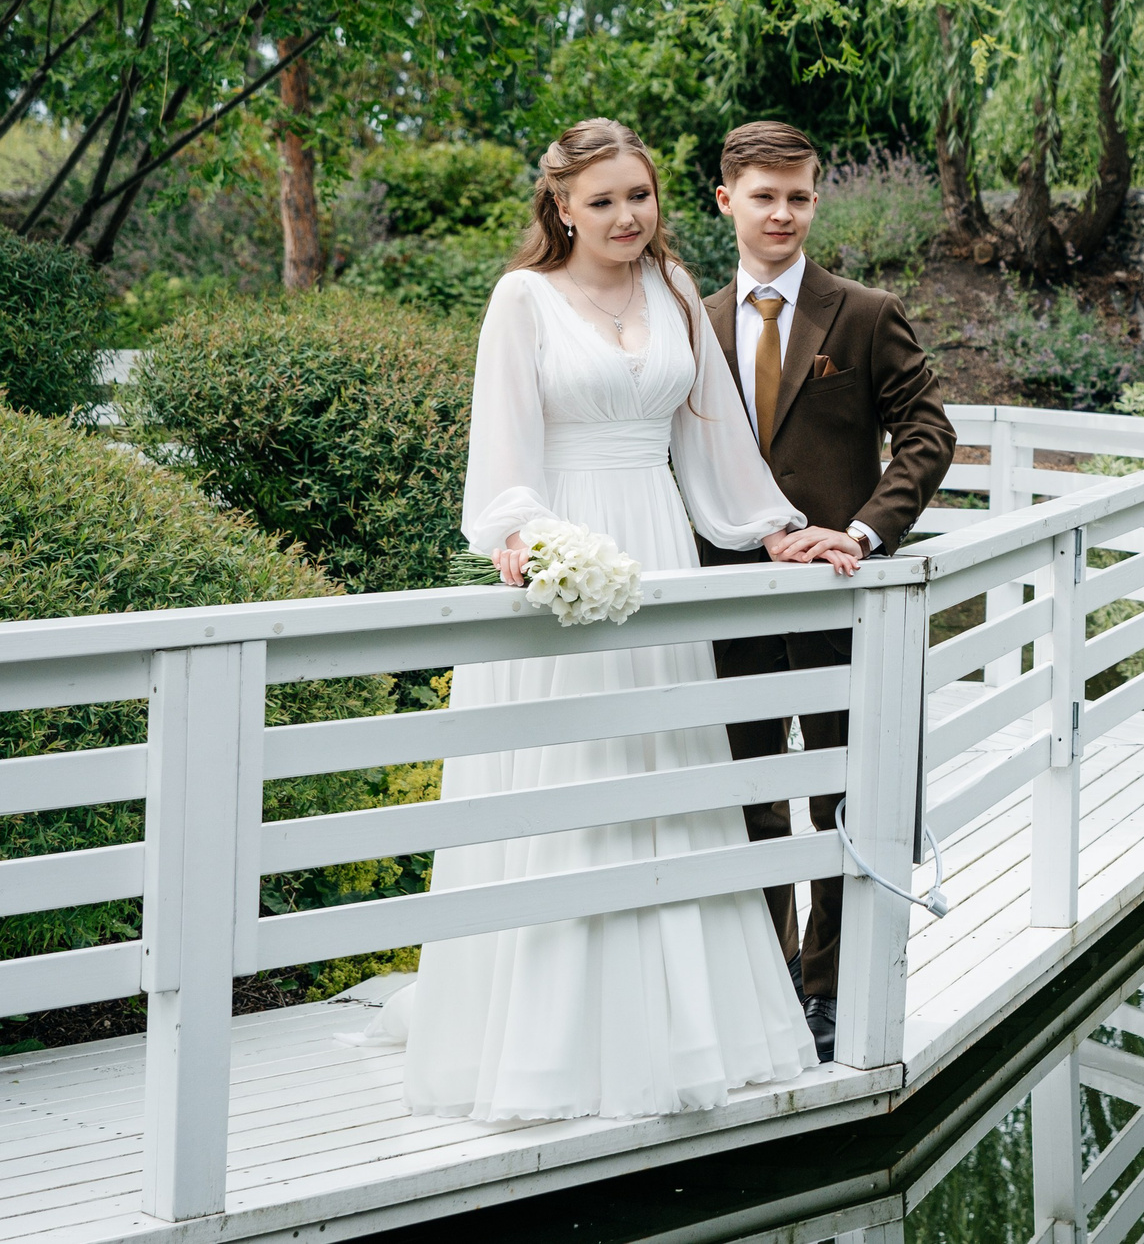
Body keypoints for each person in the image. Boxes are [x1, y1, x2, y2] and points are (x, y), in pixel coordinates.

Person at [392, 118, 855, 1121]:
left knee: (673, 787)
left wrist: (777, 530)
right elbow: (501, 454)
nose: (624, 217)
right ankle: (546, 1053)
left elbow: (716, 442)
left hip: (662, 559)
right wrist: (526, 540)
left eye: (638, 196)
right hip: (567, 564)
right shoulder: (522, 301)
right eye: (600, 201)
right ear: (560, 208)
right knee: (578, 789)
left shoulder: (676, 292)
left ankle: (695, 1033)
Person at [698, 121, 956, 1062]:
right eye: (763, 195)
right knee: (752, 797)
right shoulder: (697, 318)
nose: (782, 213)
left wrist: (859, 531)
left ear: (816, 199)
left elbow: (928, 434)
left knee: (843, 797)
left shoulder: (864, 313)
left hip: (843, 599)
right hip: (726, 600)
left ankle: (827, 990)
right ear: (725, 200)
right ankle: (765, 978)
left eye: (799, 196)